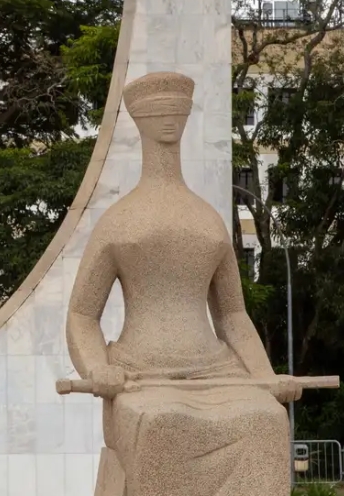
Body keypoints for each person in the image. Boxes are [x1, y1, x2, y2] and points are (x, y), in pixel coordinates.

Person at [65, 72, 298, 496]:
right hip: (142, 374)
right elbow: (82, 315)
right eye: (160, 111)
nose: (169, 119)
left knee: (267, 420)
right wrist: (99, 369)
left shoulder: (207, 220)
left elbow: (233, 315)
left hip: (216, 371)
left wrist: (265, 376)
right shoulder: (119, 221)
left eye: (177, 111)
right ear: (141, 120)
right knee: (164, 424)